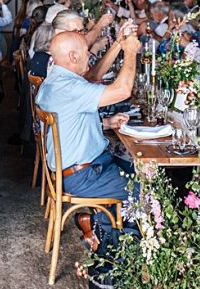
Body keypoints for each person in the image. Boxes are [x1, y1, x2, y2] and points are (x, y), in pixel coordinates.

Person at [34, 28, 140, 244]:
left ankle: (96, 223)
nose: (90, 54)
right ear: (73, 56)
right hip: (85, 176)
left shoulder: (56, 79)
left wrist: (104, 123)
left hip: (76, 170)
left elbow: (91, 79)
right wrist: (130, 52)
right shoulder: (70, 88)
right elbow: (123, 91)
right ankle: (112, 245)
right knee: (146, 189)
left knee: (134, 168)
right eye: (86, 51)